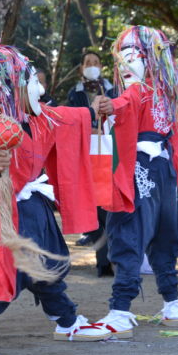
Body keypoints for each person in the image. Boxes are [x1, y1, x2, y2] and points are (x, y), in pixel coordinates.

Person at [0, 45, 110, 355]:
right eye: (31, 82)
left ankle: (67, 322)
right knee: (3, 269)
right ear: (11, 89)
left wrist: (96, 108)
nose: (40, 88)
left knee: (46, 268)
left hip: (34, 208)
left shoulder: (39, 118)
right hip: (6, 212)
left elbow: (71, 117)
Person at [95, 25, 178, 338]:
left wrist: (108, 106)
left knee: (129, 233)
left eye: (133, 56)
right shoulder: (170, 96)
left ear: (151, 60)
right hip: (166, 173)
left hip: (142, 168)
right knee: (164, 238)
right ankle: (172, 306)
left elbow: (123, 102)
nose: (125, 65)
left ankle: (120, 310)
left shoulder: (143, 91)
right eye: (121, 58)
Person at [67, 50, 116, 277]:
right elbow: (69, 121)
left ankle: (111, 258)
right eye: (88, 63)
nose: (92, 66)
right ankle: (103, 260)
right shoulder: (74, 93)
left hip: (110, 155)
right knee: (94, 208)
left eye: (96, 62)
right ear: (81, 68)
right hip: (85, 156)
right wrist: (89, 128)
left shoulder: (114, 91)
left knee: (109, 206)